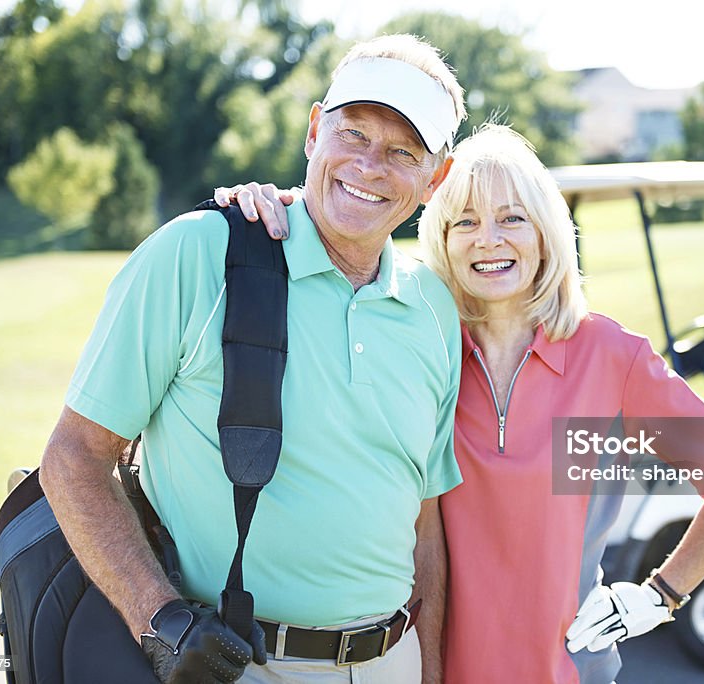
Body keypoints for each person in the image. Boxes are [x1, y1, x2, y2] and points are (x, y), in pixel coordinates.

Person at [222, 124, 704, 683]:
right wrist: (270, 210)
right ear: (443, 239)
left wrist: (661, 594)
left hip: (569, 673)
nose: (488, 239)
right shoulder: (417, 346)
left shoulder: (612, 357)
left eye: (512, 218)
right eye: (466, 221)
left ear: (545, 233)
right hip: (424, 670)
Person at [39, 34, 468, 684]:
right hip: (233, 666)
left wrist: (429, 670)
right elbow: (74, 458)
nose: (370, 165)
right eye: (352, 134)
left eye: (403, 151)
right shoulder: (195, 255)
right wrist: (162, 624)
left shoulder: (434, 307)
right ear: (314, 131)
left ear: (436, 178)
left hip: (393, 663)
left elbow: (425, 516)